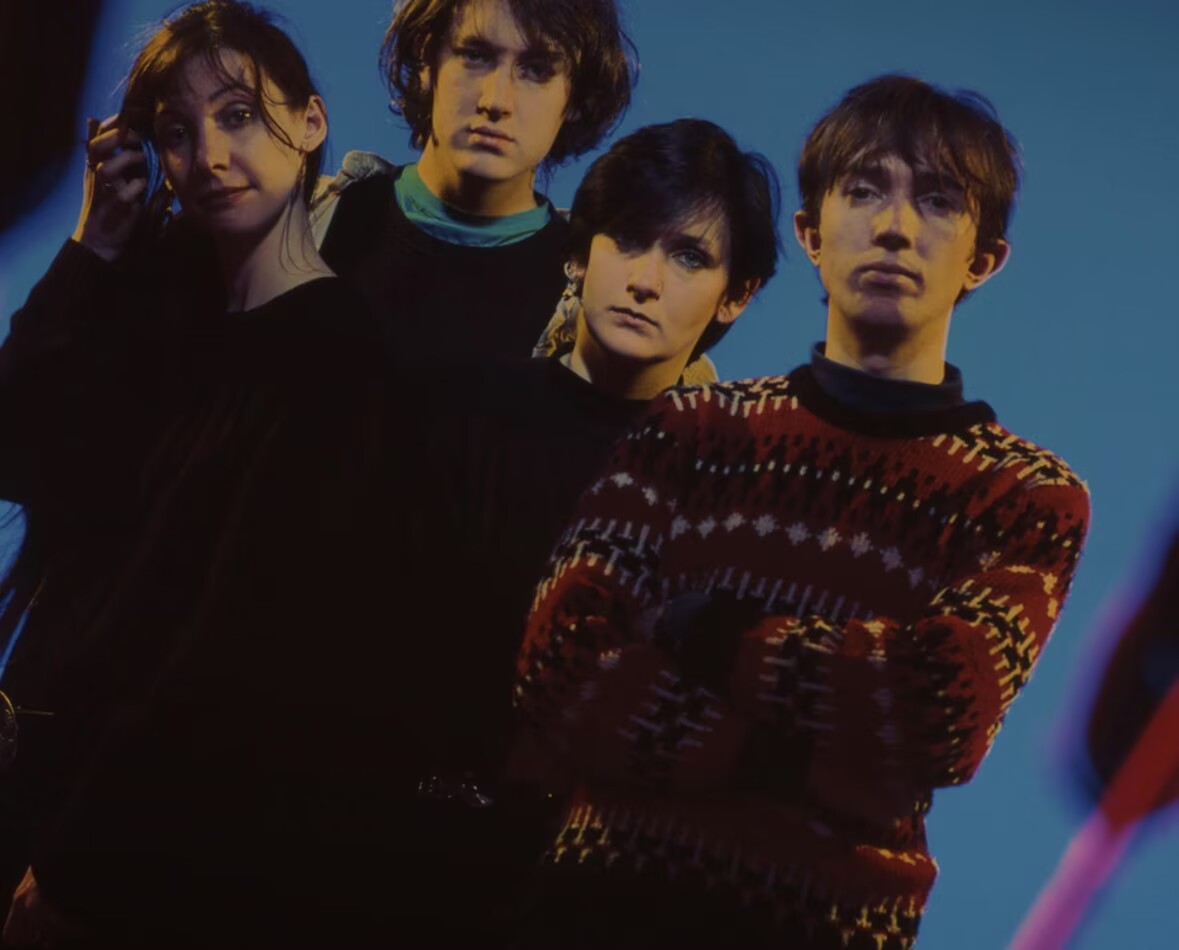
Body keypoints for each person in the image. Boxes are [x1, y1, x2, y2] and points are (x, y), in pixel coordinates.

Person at [510, 74, 1092, 947]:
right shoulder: (690, 428)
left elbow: (938, 708)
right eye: (863, 191)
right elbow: (561, 660)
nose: (894, 227)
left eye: (937, 201)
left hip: (828, 928)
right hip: (595, 907)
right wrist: (780, 762)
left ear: (984, 259)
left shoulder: (1025, 494)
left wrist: (709, 632)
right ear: (810, 235)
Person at [0, 2, 398, 944]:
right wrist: (95, 244)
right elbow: (14, 449)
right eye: (177, 132)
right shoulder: (159, 304)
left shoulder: (337, 356)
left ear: (310, 122)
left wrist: (78, 866)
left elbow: (234, 644)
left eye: (239, 115)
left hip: (126, 826)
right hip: (30, 755)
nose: (210, 154)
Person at [392, 116, 779, 943]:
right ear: (578, 254)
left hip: (600, 888)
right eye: (628, 239)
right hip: (395, 849)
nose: (645, 280)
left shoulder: (731, 491)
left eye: (688, 257)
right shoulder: (459, 413)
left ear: (735, 295)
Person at [312, 0, 666, 373]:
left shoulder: (598, 292)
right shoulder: (310, 216)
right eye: (475, 56)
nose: (495, 101)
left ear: (577, 97)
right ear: (427, 59)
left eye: (536, 70)